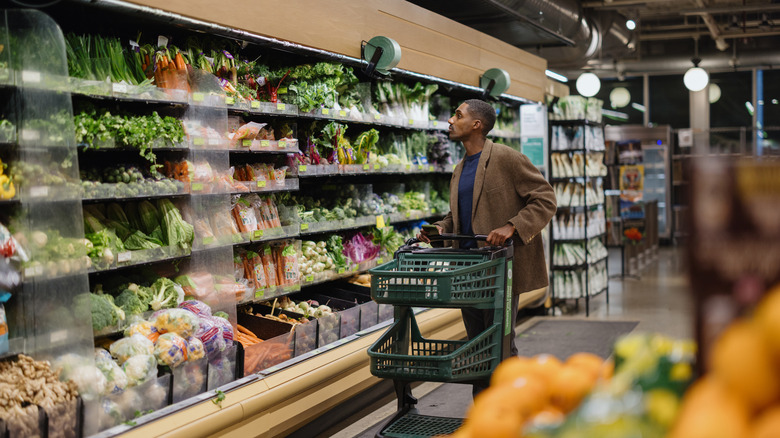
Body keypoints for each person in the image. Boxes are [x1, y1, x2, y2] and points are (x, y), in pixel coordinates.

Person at [417, 99, 556, 395]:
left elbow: (545, 198)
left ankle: (511, 407)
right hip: (468, 269)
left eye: (458, 115)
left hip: (499, 267)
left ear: (477, 124)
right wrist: (440, 229)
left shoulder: (507, 158)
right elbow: (459, 217)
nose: (451, 121)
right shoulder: (459, 169)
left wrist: (512, 226)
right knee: (477, 343)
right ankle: (485, 409)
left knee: (500, 343)